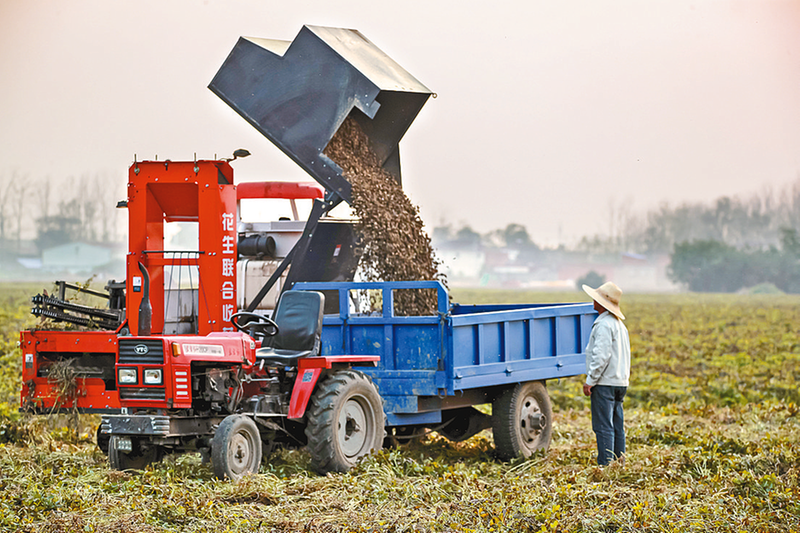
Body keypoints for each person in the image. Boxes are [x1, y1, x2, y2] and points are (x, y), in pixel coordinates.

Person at [582, 281, 631, 466]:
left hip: (604, 383)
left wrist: (590, 380)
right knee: (617, 425)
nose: (593, 301)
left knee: (603, 426)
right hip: (620, 382)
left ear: (602, 303)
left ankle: (605, 465)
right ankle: (620, 462)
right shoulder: (619, 325)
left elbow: (601, 356)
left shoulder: (603, 325)